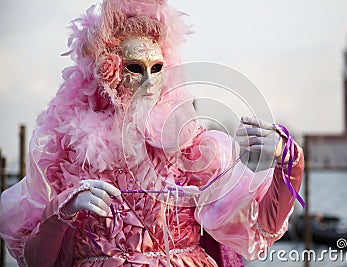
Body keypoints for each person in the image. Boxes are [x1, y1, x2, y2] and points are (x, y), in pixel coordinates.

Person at [0, 0, 304, 266]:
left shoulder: (190, 146)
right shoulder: (62, 152)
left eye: (157, 68)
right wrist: (63, 210)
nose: (148, 81)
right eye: (135, 67)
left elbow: (255, 228)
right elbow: (36, 259)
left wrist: (289, 164)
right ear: (106, 70)